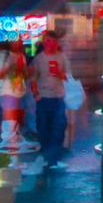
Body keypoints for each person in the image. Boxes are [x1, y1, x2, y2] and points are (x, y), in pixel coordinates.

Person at [28, 30, 72, 172]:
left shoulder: (62, 58)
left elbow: (69, 77)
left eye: (52, 41)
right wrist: (36, 94)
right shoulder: (39, 59)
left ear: (56, 43)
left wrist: (59, 73)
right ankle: (47, 157)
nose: (50, 44)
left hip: (58, 97)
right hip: (43, 97)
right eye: (47, 41)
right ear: (44, 42)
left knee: (58, 128)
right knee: (43, 128)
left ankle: (54, 158)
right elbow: (33, 78)